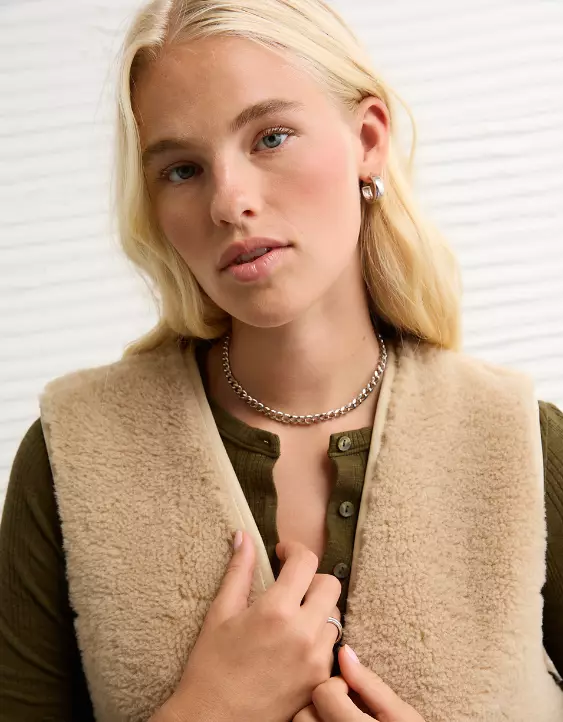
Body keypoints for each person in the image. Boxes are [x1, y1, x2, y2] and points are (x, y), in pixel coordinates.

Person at [1, 0, 562, 720]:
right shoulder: (72, 456)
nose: (229, 202)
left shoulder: (522, 447)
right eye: (181, 169)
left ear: (368, 139)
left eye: (269, 137)